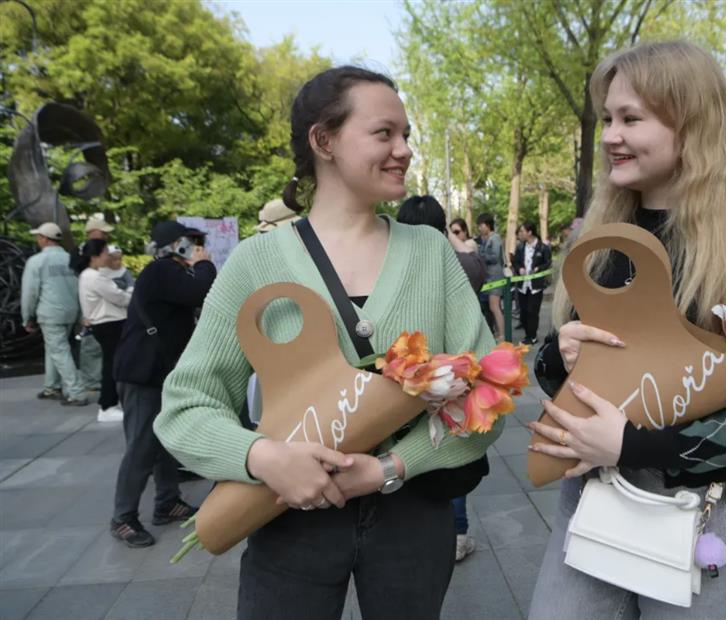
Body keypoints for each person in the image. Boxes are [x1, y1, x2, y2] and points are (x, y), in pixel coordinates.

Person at [154, 66, 502, 619]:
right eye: (384, 133)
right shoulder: (257, 261)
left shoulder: (431, 254)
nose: (404, 150)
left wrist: (390, 467)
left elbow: (488, 394)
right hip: (288, 519)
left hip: (412, 515)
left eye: (406, 135)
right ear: (325, 141)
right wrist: (261, 457)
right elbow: (185, 406)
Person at [526, 41, 726, 619]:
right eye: (608, 117)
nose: (610, 134)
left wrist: (637, 445)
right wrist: (560, 353)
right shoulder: (602, 232)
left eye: (631, 118)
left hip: (703, 513)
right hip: (589, 500)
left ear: (694, 124)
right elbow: (562, 366)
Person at [108, 221, 215, 548]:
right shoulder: (161, 270)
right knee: (141, 445)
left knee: (163, 438)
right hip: (143, 372)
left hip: (159, 370)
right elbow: (202, 290)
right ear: (174, 245)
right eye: (189, 241)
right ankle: (123, 517)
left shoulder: (172, 272)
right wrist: (205, 263)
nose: (195, 246)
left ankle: (167, 502)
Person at [398, 195, 487, 563]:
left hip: (404, 384)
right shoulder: (458, 262)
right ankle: (457, 534)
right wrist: (447, 236)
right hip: (453, 385)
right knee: (452, 450)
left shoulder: (394, 264)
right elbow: (476, 267)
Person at [20, 222, 88, 406]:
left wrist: (27, 317)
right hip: (71, 311)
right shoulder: (70, 259)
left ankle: (77, 392)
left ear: (44, 238)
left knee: (59, 351)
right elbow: (78, 287)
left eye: (38, 236)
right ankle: (52, 387)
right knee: (55, 348)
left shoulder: (36, 261)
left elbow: (30, 292)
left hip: (50, 312)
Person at [73, 239, 132, 423]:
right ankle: (107, 406)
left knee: (112, 363)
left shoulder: (88, 275)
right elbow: (120, 298)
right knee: (111, 365)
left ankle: (111, 404)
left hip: (105, 324)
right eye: (105, 252)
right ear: (95, 256)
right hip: (109, 323)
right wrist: (131, 292)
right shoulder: (95, 277)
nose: (108, 255)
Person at [77, 218, 114, 394]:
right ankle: (93, 382)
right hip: (97, 314)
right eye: (103, 232)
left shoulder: (95, 269)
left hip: (100, 312)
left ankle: (96, 382)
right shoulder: (90, 272)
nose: (106, 236)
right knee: (94, 350)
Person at [511, 221, 552, 345]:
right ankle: (527, 334)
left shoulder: (543, 248)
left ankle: (532, 336)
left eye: (522, 231)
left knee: (532, 311)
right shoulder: (520, 247)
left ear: (530, 232)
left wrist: (538, 269)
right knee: (523, 311)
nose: (520, 233)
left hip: (536, 286)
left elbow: (548, 263)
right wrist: (519, 269)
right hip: (522, 285)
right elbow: (515, 262)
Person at [477, 212, 505, 340]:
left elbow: (495, 257)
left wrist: (480, 256)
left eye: (481, 225)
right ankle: (497, 332)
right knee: (491, 307)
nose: (480, 228)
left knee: (495, 307)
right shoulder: (486, 239)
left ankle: (502, 334)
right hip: (488, 277)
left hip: (495, 276)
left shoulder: (495, 238)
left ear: (488, 225)